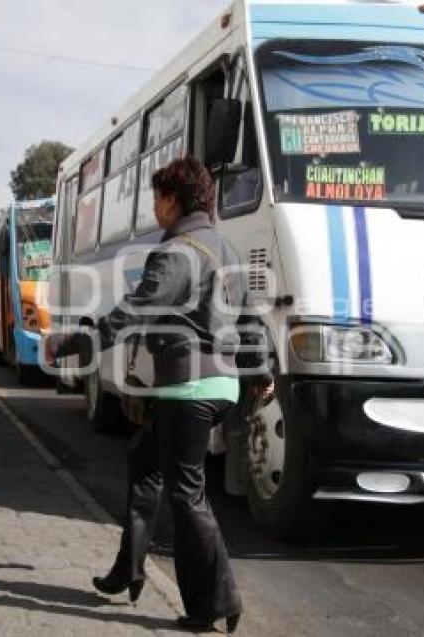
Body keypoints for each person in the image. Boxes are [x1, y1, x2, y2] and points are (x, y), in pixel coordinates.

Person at [93, 156, 245, 633]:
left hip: (189, 384)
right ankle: (130, 567)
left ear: (173, 201)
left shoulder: (179, 250)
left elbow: (142, 305)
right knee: (144, 462)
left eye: (157, 198)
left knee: (186, 494)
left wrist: (87, 337)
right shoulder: (226, 248)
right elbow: (248, 313)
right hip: (219, 381)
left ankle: (214, 603)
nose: (154, 208)